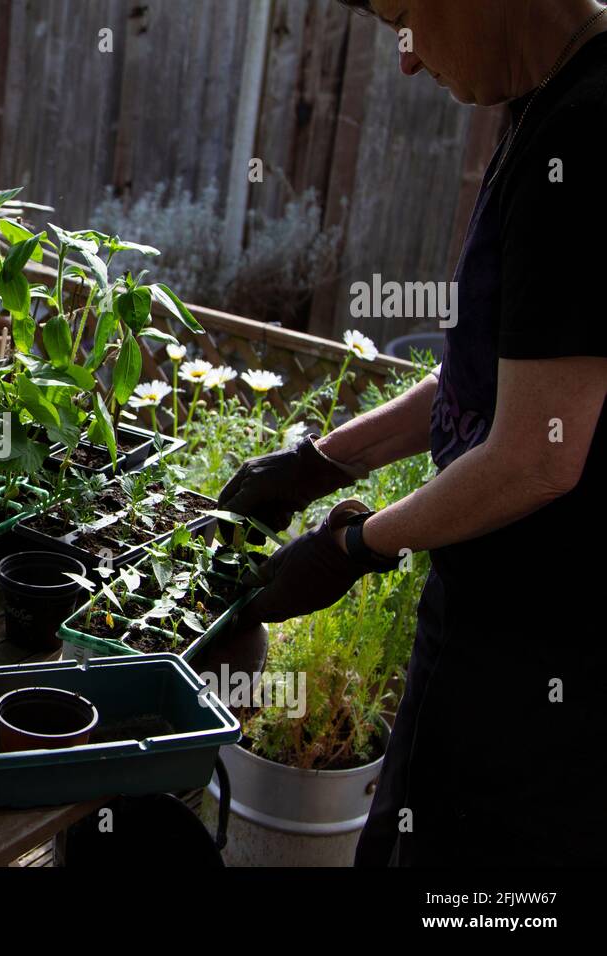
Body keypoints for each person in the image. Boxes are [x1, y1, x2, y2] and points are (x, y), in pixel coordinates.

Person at [220, 0, 607, 866]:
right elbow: (493, 378)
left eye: (403, 16)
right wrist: (322, 461)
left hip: (541, 662)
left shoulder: (585, 137)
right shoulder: (543, 103)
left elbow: (539, 455)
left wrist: (354, 547)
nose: (402, 59)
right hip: (488, 622)